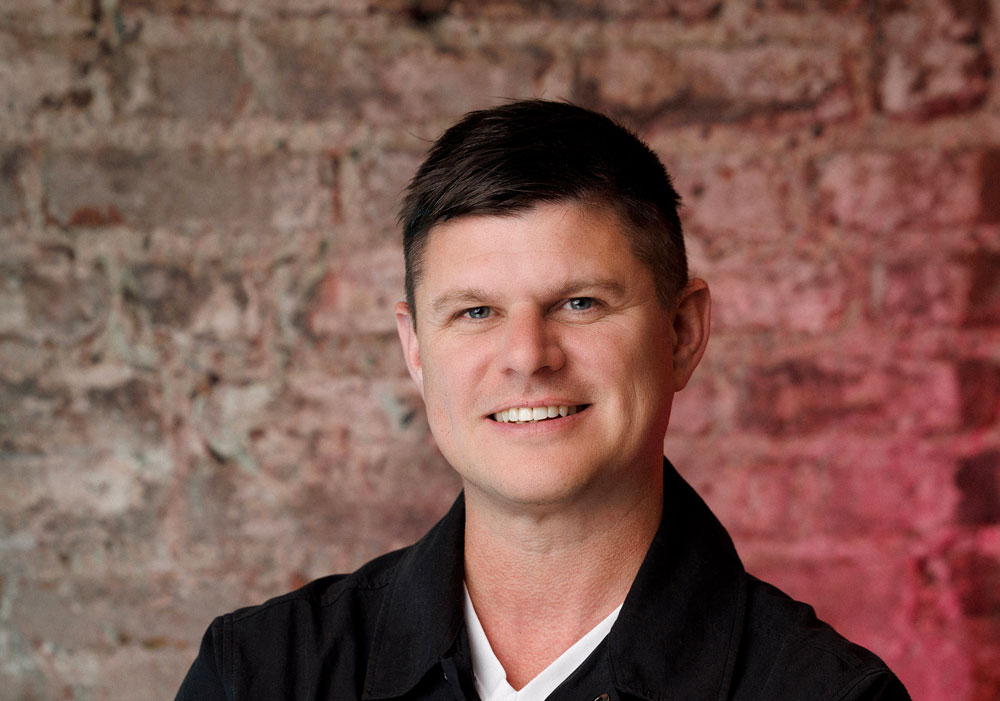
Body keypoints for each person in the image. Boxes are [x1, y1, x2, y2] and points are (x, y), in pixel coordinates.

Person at [175, 99, 910, 700]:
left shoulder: (829, 694)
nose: (528, 356)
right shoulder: (259, 675)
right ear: (416, 349)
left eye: (580, 303)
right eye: (476, 312)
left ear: (682, 333)